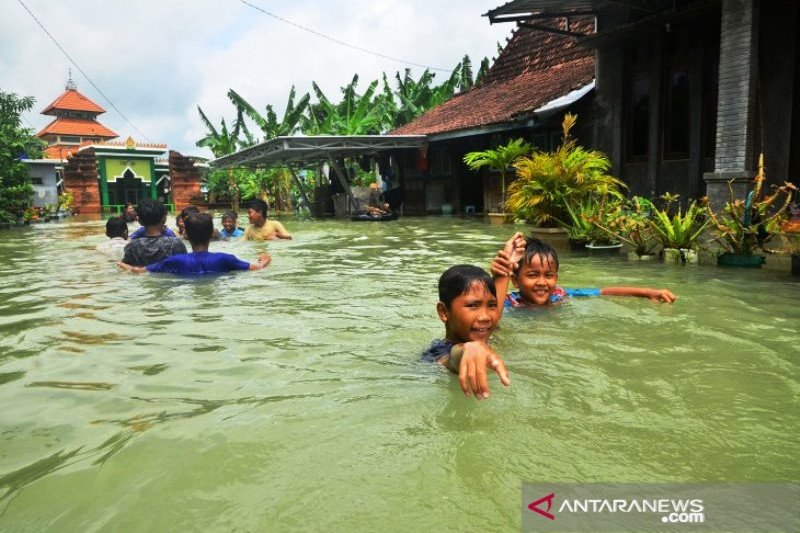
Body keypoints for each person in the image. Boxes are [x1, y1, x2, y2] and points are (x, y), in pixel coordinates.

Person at [491, 233, 677, 313]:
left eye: (548, 275)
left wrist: (649, 293)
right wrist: (502, 273)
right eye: (532, 275)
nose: (542, 282)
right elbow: (492, 314)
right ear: (515, 281)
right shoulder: (509, 303)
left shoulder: (559, 295)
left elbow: (603, 292)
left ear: (556, 277)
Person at [421, 264, 510, 400]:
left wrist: (504, 271)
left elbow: (496, 309)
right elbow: (453, 358)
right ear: (444, 312)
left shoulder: (485, 332)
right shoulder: (438, 353)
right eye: (473, 305)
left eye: (491, 305)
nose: (485, 316)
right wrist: (470, 348)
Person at [118, 212, 271, 275]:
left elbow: (138, 271)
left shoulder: (174, 261)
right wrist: (263, 261)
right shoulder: (225, 259)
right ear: (212, 232)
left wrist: (122, 264)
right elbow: (256, 268)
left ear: (187, 235)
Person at [120, 198, 187, 267]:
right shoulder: (175, 244)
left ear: (139, 221)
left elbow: (125, 267)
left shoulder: (132, 247)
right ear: (164, 219)